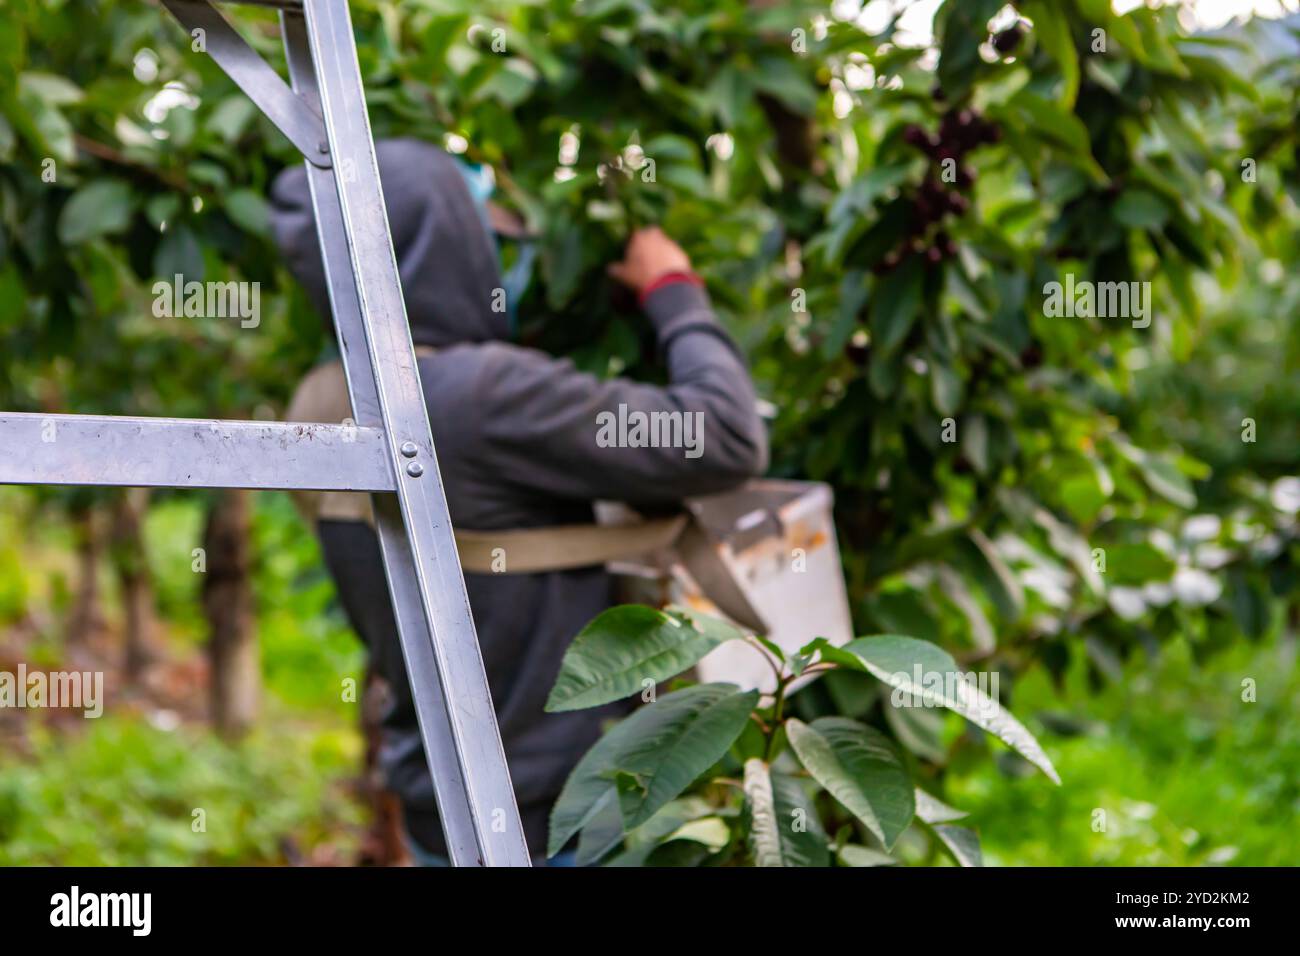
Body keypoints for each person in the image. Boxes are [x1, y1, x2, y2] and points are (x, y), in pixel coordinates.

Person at [269, 138, 768, 865]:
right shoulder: (486, 396)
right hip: (558, 822)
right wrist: (674, 290)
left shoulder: (319, 400)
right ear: (450, 250)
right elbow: (723, 434)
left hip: (437, 805)